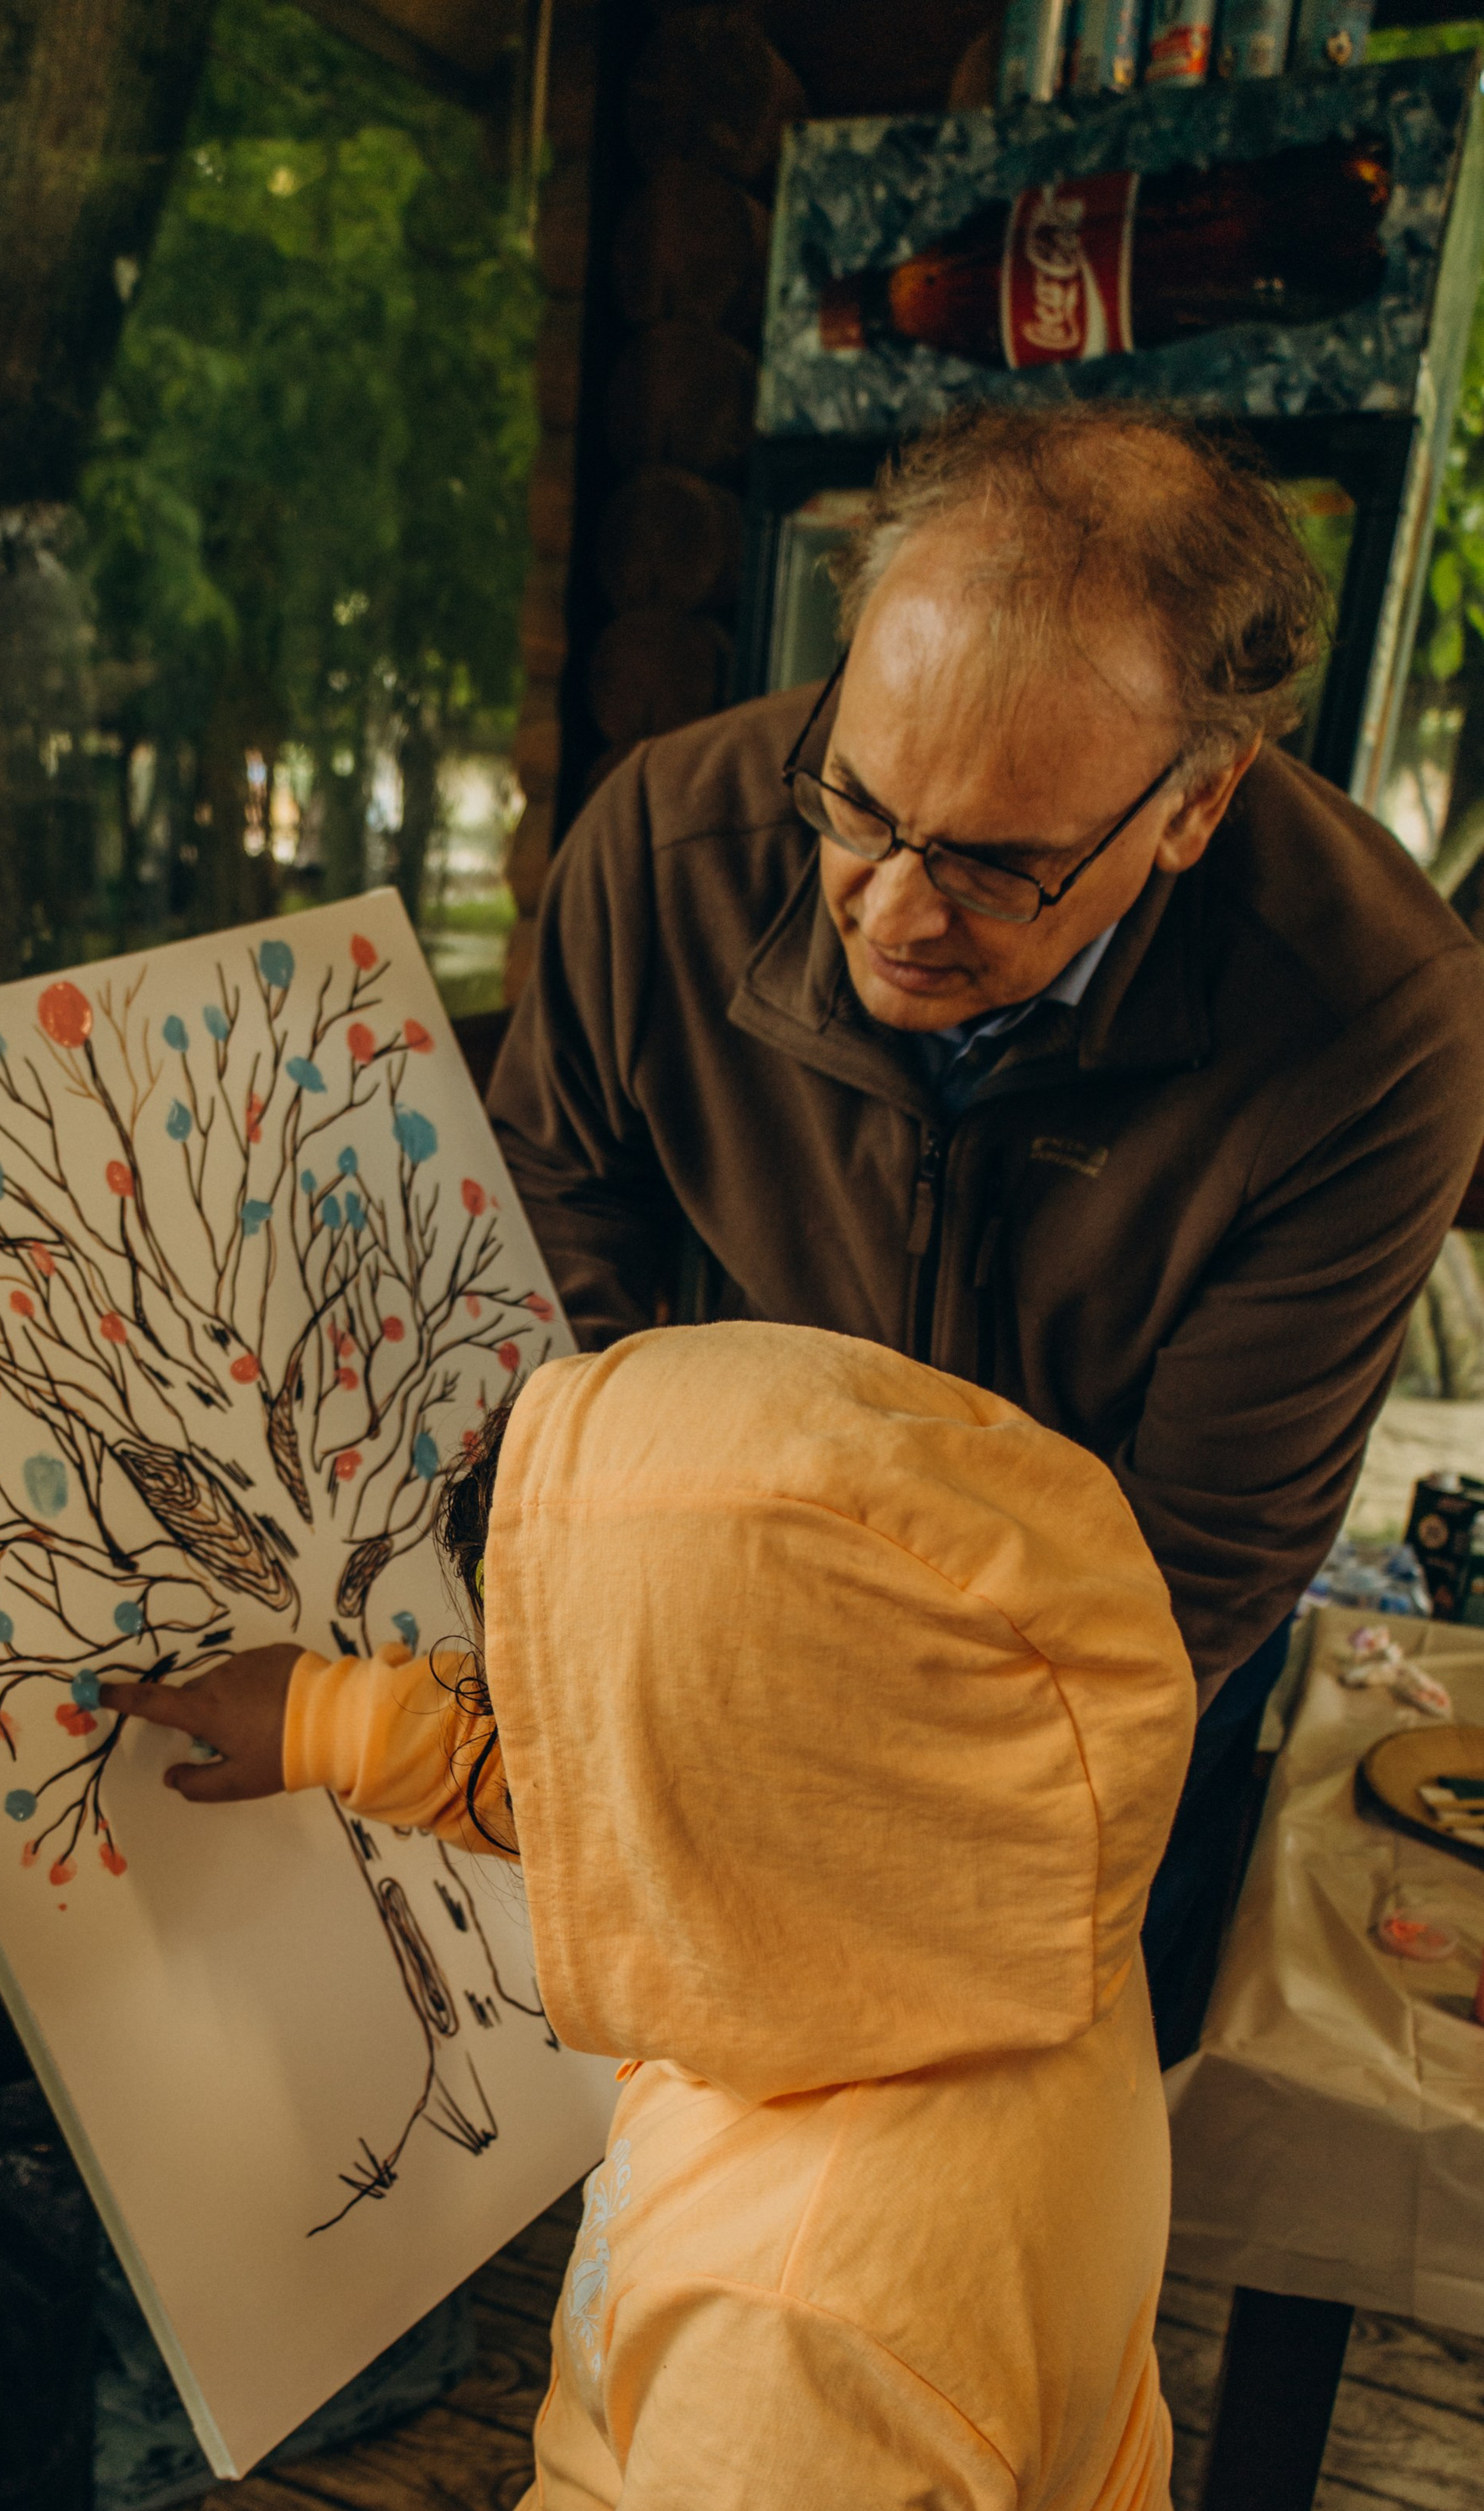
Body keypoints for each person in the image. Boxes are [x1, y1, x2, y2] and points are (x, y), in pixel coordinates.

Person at [105, 1319, 1200, 2511]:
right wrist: (350, 1726)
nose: (532, 1739)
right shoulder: (1000, 1886)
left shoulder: (802, 2324)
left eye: (545, 1692)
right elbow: (663, 1786)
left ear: (711, 1789)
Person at [487, 401, 1484, 2048]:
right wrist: (628, 1570)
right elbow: (551, 1198)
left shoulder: (1374, 1022)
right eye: (857, 806)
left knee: (1013, 2091)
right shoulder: (665, 846)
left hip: (1083, 1656)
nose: (884, 909)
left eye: (994, 865)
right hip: (722, 1583)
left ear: (1194, 800)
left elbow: (1195, 1563)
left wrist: (877, 1822)